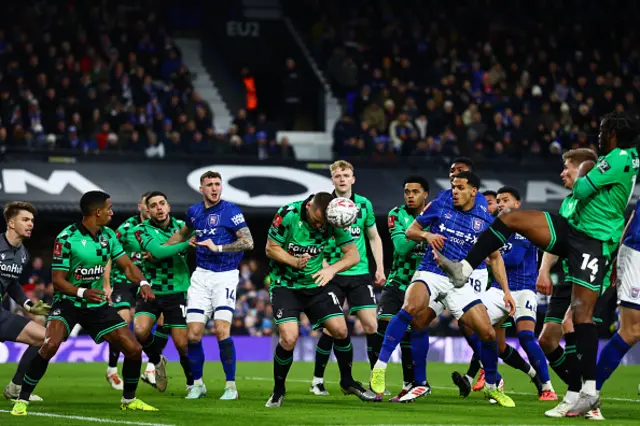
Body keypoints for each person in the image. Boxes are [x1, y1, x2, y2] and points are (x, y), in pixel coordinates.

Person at [435, 112, 640, 416]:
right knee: (509, 219)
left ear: (613, 133)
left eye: (603, 130)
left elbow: (584, 188)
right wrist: (546, 267)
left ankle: (585, 392)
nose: (598, 136)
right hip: (572, 235)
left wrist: (588, 174)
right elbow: (580, 195)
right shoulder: (582, 189)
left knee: (581, 318)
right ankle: (464, 268)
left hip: (593, 242)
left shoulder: (622, 156)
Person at [370, 171, 516, 407]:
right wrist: (427, 235)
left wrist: (506, 291)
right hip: (431, 271)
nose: (455, 191)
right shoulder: (441, 204)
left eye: (460, 187)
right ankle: (380, 368)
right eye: (453, 186)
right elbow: (411, 232)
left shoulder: (485, 220)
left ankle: (492, 386)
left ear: (473, 192)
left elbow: (495, 257)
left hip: (460, 282)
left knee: (488, 333)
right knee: (411, 309)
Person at [11, 191, 157, 416]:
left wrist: (144, 283)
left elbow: (127, 266)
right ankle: (22, 399)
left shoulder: (108, 235)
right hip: (68, 303)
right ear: (97, 212)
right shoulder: (67, 238)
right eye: (109, 208)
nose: (112, 212)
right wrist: (82, 292)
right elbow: (58, 281)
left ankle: (129, 399)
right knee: (49, 345)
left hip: (96, 305)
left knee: (134, 349)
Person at [264, 192, 377, 407]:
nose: (319, 227)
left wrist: (332, 270)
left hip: (315, 285)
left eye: (322, 223)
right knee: (289, 338)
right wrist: (293, 261)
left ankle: (347, 381)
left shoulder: (334, 218)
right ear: (309, 208)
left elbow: (353, 255)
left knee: (340, 330)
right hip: (285, 285)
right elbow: (270, 248)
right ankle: (278, 390)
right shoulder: (288, 214)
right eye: (317, 222)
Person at [166, 171, 254, 400]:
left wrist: (220, 248)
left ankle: (231, 387)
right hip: (201, 276)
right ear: (201, 189)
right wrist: (159, 250)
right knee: (193, 335)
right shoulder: (194, 212)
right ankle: (197, 384)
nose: (214, 188)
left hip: (225, 275)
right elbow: (182, 234)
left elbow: (248, 242)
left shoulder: (231, 210)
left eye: (217, 184)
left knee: (221, 329)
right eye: (210, 185)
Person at [310, 160, 385, 396]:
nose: (342, 178)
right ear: (332, 179)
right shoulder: (324, 205)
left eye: (346, 175)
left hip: (360, 273)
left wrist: (380, 267)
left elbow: (373, 237)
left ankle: (376, 380)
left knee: (372, 325)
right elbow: (313, 238)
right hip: (332, 274)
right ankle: (317, 380)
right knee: (333, 330)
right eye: (338, 175)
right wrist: (321, 264)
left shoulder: (363, 205)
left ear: (353, 179)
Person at [104, 192, 168, 390]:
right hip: (124, 279)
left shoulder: (160, 229)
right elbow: (107, 254)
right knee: (123, 321)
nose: (152, 209)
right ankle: (112, 370)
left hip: (147, 281)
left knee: (163, 319)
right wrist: (106, 284)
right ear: (141, 207)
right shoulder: (125, 228)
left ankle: (151, 367)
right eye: (147, 205)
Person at [374, 176, 430, 402]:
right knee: (384, 324)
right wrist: (426, 234)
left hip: (423, 284)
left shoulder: (437, 215)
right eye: (407, 191)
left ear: (425, 194)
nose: (410, 195)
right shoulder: (396, 214)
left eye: (415, 191)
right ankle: (376, 380)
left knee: (410, 332)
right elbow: (401, 247)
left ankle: (411, 383)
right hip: (398, 280)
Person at [131, 191, 194, 394]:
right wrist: (185, 244)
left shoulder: (182, 227)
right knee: (140, 331)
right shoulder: (141, 230)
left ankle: (193, 383)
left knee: (182, 344)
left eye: (162, 203)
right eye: (154, 205)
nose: (159, 208)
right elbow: (157, 252)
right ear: (147, 210)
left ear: (168, 206)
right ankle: (157, 361)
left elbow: (159, 252)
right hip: (152, 290)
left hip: (177, 290)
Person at [593, 194, 640, 419]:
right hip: (637, 255)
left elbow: (632, 216)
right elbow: (632, 219)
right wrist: (618, 255)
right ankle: (590, 393)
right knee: (631, 331)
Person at [1, 202, 50, 402]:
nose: (31, 224)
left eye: (32, 221)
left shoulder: (23, 254)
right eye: (25, 220)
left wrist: (30, 305)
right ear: (11, 223)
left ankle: (16, 387)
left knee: (45, 338)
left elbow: (12, 285)